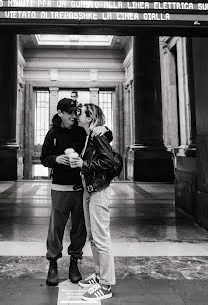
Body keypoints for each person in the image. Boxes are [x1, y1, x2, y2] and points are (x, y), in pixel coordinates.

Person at [40, 98, 112, 287]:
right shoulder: (52, 133)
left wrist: (106, 130)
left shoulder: (82, 131)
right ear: (60, 113)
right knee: (56, 227)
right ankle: (53, 263)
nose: (74, 116)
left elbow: (100, 138)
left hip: (80, 188)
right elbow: (44, 158)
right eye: (70, 112)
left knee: (79, 229)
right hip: (59, 188)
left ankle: (75, 263)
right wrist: (57, 159)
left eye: (76, 112)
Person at [72, 103, 116, 301]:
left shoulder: (98, 135)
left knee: (101, 239)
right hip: (89, 190)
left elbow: (109, 162)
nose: (77, 115)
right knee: (93, 237)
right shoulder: (91, 135)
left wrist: (85, 164)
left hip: (99, 191)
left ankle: (106, 284)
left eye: (80, 113)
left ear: (90, 118)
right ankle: (99, 276)